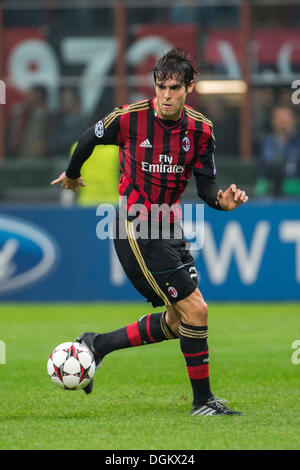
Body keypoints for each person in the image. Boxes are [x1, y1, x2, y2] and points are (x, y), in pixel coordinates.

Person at [51, 49, 248, 416]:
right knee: (197, 310)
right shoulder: (130, 118)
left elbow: (207, 190)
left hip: (170, 225)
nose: (166, 95)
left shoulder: (201, 131)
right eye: (161, 87)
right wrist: (73, 173)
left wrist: (224, 201)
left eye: (174, 87)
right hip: (136, 224)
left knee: (178, 320)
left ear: (190, 87)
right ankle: (203, 402)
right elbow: (88, 138)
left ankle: (97, 344)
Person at [255, 106, 300, 197]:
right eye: (279, 117)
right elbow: (260, 171)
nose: (282, 121)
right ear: (272, 121)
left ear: (294, 120)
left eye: (286, 117)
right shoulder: (265, 142)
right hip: (270, 194)